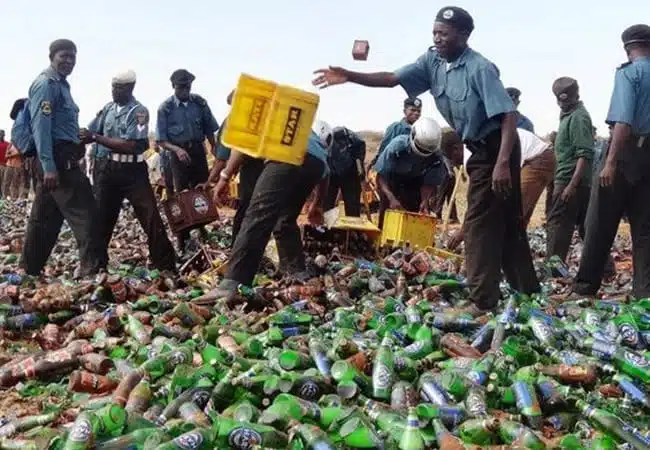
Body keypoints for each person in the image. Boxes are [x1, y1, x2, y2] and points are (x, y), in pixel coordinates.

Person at [313, 6, 540, 315]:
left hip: (498, 149)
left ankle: (481, 300)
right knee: (508, 221)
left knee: (477, 223)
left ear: (464, 35)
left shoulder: (480, 68)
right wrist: (349, 76)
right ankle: (527, 289)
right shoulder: (431, 61)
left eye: (444, 34)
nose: (438, 38)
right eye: (435, 33)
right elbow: (392, 78)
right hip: (479, 148)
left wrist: (502, 163)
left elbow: (509, 116)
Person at [194, 132, 329, 304]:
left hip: (285, 153)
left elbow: (242, 145)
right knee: (286, 219)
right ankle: (295, 271)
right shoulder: (308, 129)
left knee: (258, 214)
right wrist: (317, 204)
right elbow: (326, 172)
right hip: (314, 164)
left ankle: (233, 283)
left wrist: (224, 177)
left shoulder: (256, 109)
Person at [574, 24, 650, 298]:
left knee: (600, 223)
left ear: (628, 48)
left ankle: (585, 288)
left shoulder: (629, 74)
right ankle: (645, 295)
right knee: (645, 230)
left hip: (626, 153)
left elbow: (623, 121)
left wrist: (610, 162)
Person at [20, 39, 103, 277]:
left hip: (60, 157)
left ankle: (29, 270)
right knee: (87, 215)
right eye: (63, 56)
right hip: (57, 161)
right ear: (52, 57)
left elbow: (58, 126)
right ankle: (93, 273)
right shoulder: (46, 84)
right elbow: (41, 128)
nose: (68, 61)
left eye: (72, 57)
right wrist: (49, 167)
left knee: (44, 218)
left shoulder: (62, 86)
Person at [84, 70, 176, 272]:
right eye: (113, 87)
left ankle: (165, 264)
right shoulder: (107, 109)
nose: (114, 91)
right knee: (102, 218)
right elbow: (89, 131)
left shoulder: (138, 111)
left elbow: (132, 145)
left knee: (150, 215)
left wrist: (96, 138)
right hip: (107, 169)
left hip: (132, 171)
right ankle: (95, 264)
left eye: (119, 88)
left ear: (130, 88)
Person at [448, 127, 556, 249]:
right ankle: (513, 255)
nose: (454, 164)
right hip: (532, 158)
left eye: (451, 159)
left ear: (456, 149)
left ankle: (506, 256)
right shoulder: (474, 146)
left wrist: (463, 232)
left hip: (538, 158)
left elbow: (478, 200)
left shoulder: (470, 157)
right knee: (517, 216)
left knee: (513, 214)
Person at [156, 69, 220, 251]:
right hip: (177, 157)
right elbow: (161, 140)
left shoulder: (199, 103)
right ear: (173, 87)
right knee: (180, 196)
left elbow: (210, 129)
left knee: (201, 191)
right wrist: (177, 150)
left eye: (188, 86)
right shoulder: (165, 108)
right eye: (181, 87)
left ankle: (202, 229)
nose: (185, 90)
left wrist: (215, 149)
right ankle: (182, 238)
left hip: (198, 152)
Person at [202, 89, 266, 245]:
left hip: (252, 168)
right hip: (272, 168)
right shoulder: (265, 116)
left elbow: (222, 159)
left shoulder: (234, 121)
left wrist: (211, 181)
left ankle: (239, 247)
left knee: (247, 209)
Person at [546, 77, 594, 263]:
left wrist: (571, 186)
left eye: (566, 100)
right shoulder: (569, 115)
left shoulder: (578, 117)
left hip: (570, 180)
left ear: (576, 95)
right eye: (559, 100)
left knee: (557, 225)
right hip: (573, 181)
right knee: (586, 227)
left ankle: (553, 270)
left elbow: (584, 154)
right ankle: (605, 269)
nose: (562, 104)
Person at [373, 117, 446, 228]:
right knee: (387, 219)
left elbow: (429, 183)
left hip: (415, 184)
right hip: (391, 181)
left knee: (413, 219)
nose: (421, 155)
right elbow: (381, 176)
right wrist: (391, 198)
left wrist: (424, 201)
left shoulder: (436, 158)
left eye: (426, 151)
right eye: (420, 149)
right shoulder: (396, 147)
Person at [318, 122, 366, 216]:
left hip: (350, 172)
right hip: (332, 173)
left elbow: (360, 147)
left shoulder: (348, 137)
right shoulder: (318, 143)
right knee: (326, 202)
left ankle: (353, 229)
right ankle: (325, 228)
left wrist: (359, 164)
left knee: (352, 204)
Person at [371, 97, 422, 167]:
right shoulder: (396, 127)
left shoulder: (420, 130)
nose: (416, 113)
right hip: (395, 171)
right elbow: (384, 150)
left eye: (419, 111)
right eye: (412, 110)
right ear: (405, 111)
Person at [432, 128, 464, 222]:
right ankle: (437, 216)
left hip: (450, 175)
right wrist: (449, 171)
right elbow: (444, 161)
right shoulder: (441, 150)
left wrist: (461, 175)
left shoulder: (452, 151)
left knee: (451, 196)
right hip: (443, 175)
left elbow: (456, 162)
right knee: (441, 196)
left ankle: (453, 217)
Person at [0, 130, 8, 198]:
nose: (1, 136)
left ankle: (2, 196)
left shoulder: (7, 144)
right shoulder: (7, 144)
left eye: (2, 134)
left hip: (5, 165)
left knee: (3, 182)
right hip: (2, 165)